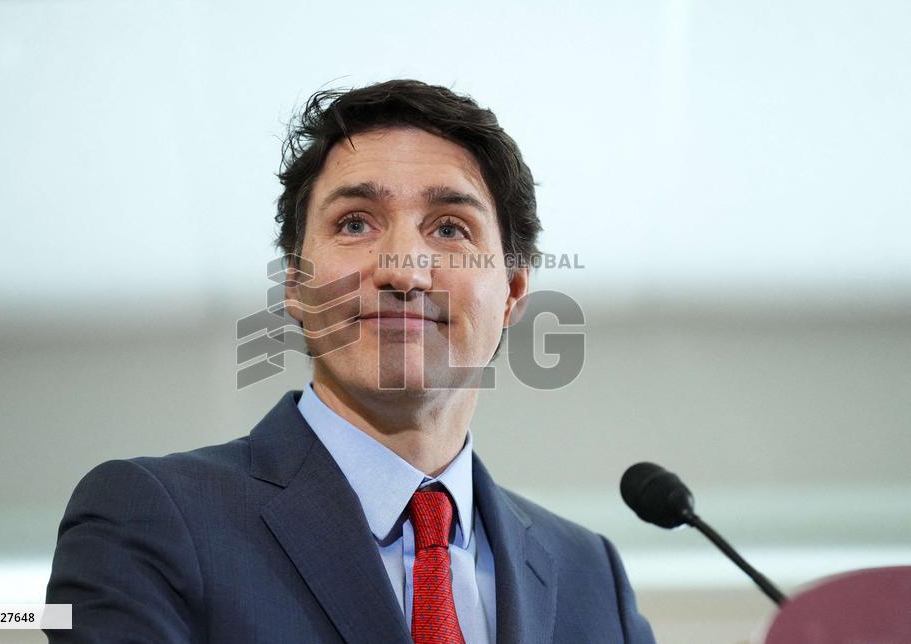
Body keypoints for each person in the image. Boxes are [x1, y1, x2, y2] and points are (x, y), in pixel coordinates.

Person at [44, 79, 655, 643]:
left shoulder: (591, 576)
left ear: (514, 292)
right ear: (293, 284)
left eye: (449, 229)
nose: (403, 271)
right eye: (355, 223)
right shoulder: (146, 518)